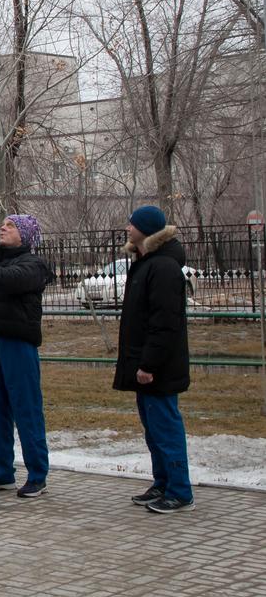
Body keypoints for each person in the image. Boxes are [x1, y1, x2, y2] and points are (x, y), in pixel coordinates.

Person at [115, 205, 194, 514]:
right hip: (146, 365)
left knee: (165, 430)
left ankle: (180, 491)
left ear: (146, 229)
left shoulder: (162, 268)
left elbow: (164, 323)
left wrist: (148, 364)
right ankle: (162, 483)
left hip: (159, 368)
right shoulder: (146, 263)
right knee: (154, 430)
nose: (127, 228)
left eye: (132, 224)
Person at [0, 214, 51, 499]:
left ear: (25, 234)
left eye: (11, 225)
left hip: (18, 344)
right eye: (3, 224)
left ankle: (37, 474)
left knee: (27, 409)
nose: (3, 228)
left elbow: (9, 280)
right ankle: (2, 472)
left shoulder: (33, 264)